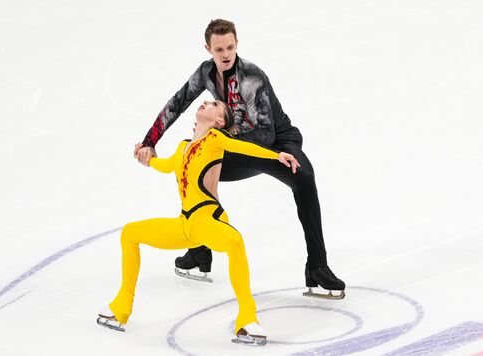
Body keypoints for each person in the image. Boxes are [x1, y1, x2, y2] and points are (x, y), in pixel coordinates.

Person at [134, 19, 345, 298]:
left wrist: (219, 142)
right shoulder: (205, 73)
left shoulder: (251, 78)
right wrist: (150, 141)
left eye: (230, 47)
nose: (225, 54)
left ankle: (317, 266)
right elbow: (177, 103)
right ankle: (200, 250)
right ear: (208, 48)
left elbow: (266, 133)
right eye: (219, 48)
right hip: (234, 143)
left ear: (236, 45)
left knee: (304, 177)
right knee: (193, 162)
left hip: (276, 140)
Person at [98, 100, 300, 345]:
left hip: (206, 219)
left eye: (214, 104)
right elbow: (165, 165)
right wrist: (146, 157)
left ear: (219, 121)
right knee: (130, 233)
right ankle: (121, 308)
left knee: (235, 242)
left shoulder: (215, 139)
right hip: (185, 224)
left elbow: (243, 147)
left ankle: (247, 319)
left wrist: (276, 155)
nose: (205, 102)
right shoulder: (183, 146)